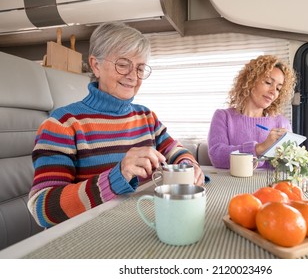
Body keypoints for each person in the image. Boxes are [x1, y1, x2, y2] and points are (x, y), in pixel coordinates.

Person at [28, 22, 205, 228]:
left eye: (140, 68)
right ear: (96, 65)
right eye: (123, 64)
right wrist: (116, 176)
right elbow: (43, 209)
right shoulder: (63, 124)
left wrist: (189, 166)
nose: (133, 76)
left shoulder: (146, 116)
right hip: (96, 234)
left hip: (146, 224)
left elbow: (176, 151)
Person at [207, 55, 297, 169]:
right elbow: (217, 156)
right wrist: (260, 148)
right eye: (268, 82)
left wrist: (289, 155)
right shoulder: (223, 116)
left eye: (278, 88)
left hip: (268, 186)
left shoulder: (281, 123)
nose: (273, 92)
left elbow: (288, 167)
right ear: (251, 81)